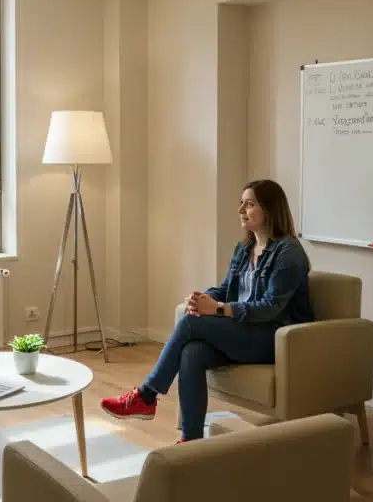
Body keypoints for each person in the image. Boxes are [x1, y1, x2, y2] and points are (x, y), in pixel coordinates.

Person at [101, 179, 315, 442]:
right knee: (192, 353)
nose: (241, 210)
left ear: (270, 209)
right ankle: (191, 442)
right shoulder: (245, 248)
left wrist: (219, 309)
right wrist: (203, 298)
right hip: (246, 332)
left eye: (249, 204)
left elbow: (271, 308)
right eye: (241, 203)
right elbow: (226, 289)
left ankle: (146, 395)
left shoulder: (289, 252)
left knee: (191, 324)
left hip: (276, 338)